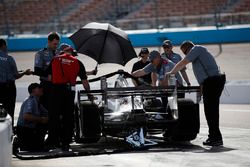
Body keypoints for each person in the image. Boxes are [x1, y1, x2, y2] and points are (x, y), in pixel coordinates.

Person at [166, 41, 226, 146]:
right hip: (210, 82)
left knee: (211, 111)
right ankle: (214, 136)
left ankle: (215, 137)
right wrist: (201, 91)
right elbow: (202, 77)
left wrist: (172, 72)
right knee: (210, 111)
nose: (186, 55)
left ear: (189, 48)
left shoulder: (196, 49)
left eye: (185, 52)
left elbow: (183, 62)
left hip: (213, 82)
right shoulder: (197, 58)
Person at [47, 45, 91, 151]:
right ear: (72, 52)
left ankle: (52, 142)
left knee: (54, 116)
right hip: (69, 91)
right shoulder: (77, 62)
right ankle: (66, 143)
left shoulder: (55, 59)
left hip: (56, 90)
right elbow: (84, 80)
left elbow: (49, 78)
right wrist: (89, 93)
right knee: (68, 117)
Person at [0, 39, 32, 125]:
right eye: (6, 45)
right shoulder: (9, 59)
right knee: (10, 110)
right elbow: (16, 75)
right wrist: (25, 72)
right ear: (3, 46)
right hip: (8, 89)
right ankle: (9, 131)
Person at [16, 83, 48, 151]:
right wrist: (41, 119)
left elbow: (47, 113)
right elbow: (26, 116)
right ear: (33, 90)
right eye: (39, 88)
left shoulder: (37, 102)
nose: (41, 89)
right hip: (25, 130)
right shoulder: (30, 100)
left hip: (30, 129)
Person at [33, 32, 60, 110]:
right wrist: (48, 75)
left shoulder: (60, 53)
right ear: (49, 41)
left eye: (57, 44)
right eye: (54, 44)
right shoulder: (40, 53)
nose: (56, 46)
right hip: (46, 86)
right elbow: (37, 70)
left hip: (58, 86)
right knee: (46, 109)